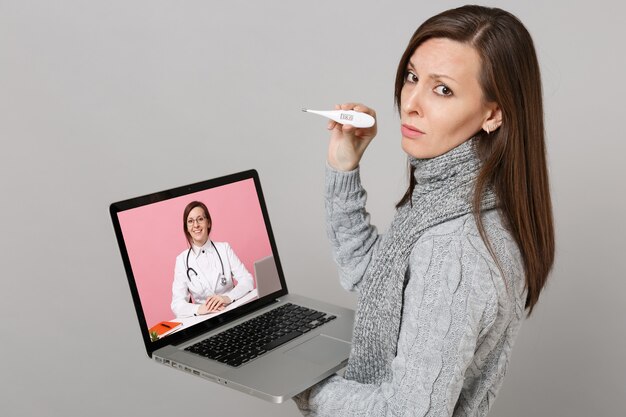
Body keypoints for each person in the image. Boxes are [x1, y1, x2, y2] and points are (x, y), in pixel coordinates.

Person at [294, 5, 554, 416]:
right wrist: (344, 167)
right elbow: (372, 276)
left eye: (443, 89)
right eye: (412, 77)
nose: (411, 102)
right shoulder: (462, 198)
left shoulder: (455, 246)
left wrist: (307, 387)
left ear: (494, 113)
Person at [171, 201, 254, 318]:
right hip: (205, 320)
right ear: (187, 228)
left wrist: (227, 298)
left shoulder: (224, 248)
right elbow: (177, 304)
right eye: (190, 221)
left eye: (200, 219)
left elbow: (247, 280)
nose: (196, 225)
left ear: (208, 222)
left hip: (233, 312)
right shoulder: (182, 260)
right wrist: (200, 309)